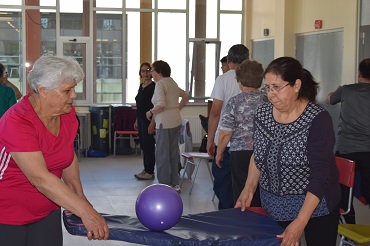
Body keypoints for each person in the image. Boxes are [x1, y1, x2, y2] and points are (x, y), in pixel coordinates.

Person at [0, 55, 109, 246]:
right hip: (7, 213)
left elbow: (66, 156)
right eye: (67, 90)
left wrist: (80, 199)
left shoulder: (66, 113)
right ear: (43, 91)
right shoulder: (18, 121)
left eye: (74, 88)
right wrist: (85, 211)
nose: (74, 95)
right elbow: (39, 178)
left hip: (47, 209)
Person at [235, 57, 341, 246]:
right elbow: (258, 154)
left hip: (315, 208)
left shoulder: (317, 119)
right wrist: (248, 188)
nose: (271, 94)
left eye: (277, 87)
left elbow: (321, 176)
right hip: (273, 207)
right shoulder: (263, 114)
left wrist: (300, 221)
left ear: (296, 85)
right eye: (267, 88)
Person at [216, 59, 267, 205]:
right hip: (264, 152)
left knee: (241, 191)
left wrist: (220, 153)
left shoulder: (234, 102)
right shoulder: (268, 101)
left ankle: (244, 221)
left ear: (240, 82)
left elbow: (226, 132)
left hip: (240, 153)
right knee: (260, 192)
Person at [326, 58, 370, 224]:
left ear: (359, 73)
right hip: (368, 151)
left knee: (344, 195)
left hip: (346, 151)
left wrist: (334, 92)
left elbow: (329, 99)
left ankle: (349, 233)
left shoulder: (346, 90)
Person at [207, 44, 250, 210]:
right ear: (247, 59)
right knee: (246, 185)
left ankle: (226, 221)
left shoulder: (223, 79)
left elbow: (215, 113)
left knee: (224, 186)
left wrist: (211, 139)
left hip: (226, 142)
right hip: (249, 145)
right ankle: (244, 222)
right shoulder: (256, 79)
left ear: (228, 59)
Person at [146, 60, 189, 193]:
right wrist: (176, 108)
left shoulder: (160, 84)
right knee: (173, 153)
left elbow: (161, 104)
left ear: (159, 72)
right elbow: (186, 95)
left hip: (164, 124)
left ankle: (164, 185)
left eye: (152, 70)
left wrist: (150, 112)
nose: (151, 72)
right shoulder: (172, 82)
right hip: (175, 122)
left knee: (162, 155)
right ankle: (175, 184)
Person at [134, 62, 156, 180]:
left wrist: (153, 123)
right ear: (140, 73)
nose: (145, 73)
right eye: (143, 71)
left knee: (149, 145)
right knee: (143, 145)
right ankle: (146, 168)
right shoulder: (141, 86)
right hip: (141, 120)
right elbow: (139, 105)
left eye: (148, 70)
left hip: (149, 120)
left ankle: (150, 171)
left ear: (151, 73)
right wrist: (137, 120)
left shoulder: (154, 87)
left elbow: (156, 106)